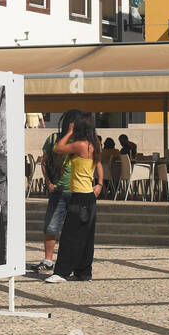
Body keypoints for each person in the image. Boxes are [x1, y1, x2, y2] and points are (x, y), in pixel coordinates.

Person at [47, 112, 104, 283]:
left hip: (79, 197)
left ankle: (62, 272)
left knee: (70, 235)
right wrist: (100, 183)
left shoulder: (80, 145)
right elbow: (99, 164)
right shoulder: (94, 145)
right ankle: (84, 272)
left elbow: (58, 148)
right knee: (86, 237)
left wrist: (69, 133)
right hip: (89, 198)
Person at [35, 109, 79, 274]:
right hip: (58, 189)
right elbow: (44, 162)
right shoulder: (54, 139)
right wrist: (48, 182)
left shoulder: (82, 141)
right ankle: (48, 260)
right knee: (51, 225)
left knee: (73, 228)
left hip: (78, 190)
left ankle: (72, 261)